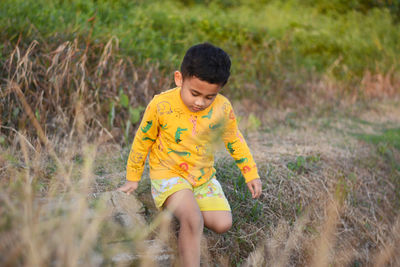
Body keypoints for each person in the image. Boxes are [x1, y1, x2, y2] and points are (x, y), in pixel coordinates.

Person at [118, 42, 262, 266]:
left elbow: (234, 139)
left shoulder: (222, 108)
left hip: (202, 178)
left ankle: (187, 206)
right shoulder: (161, 104)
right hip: (169, 174)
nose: (200, 102)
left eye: (209, 97)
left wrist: (250, 173)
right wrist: (133, 177)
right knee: (193, 219)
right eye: (195, 93)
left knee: (223, 223)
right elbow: (142, 140)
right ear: (179, 79)